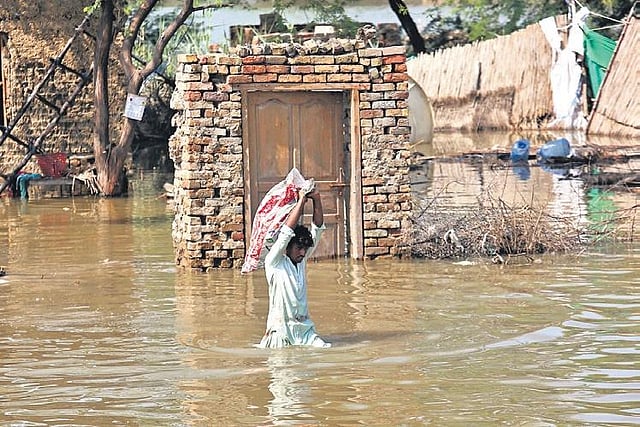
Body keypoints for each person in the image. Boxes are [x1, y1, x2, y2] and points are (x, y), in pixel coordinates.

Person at [257, 187, 331, 349]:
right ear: (287, 247)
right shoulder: (274, 262)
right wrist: (301, 202)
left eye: (305, 249)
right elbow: (286, 233)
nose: (303, 253)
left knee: (325, 349)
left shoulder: (301, 261)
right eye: (299, 248)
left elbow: (318, 228)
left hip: (305, 329)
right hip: (280, 331)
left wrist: (317, 199)